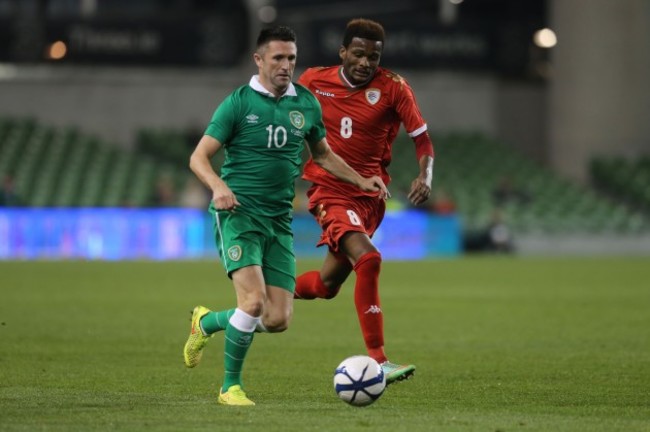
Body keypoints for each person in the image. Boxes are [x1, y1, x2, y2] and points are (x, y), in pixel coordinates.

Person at [183, 25, 388, 406]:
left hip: (279, 221)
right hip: (239, 214)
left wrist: (362, 180)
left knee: (278, 319)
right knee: (253, 303)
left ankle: (207, 322)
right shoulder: (239, 103)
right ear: (258, 60)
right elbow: (199, 157)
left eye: (291, 58)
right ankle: (230, 387)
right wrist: (218, 187)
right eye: (277, 58)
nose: (285, 65)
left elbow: (323, 155)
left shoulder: (306, 103)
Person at [294, 18, 435, 385]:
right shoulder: (312, 81)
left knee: (326, 286)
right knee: (369, 259)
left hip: (371, 198)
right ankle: (379, 360)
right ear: (343, 52)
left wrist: (425, 175)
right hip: (330, 190)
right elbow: (284, 119)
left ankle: (268, 290)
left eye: (373, 56)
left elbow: (422, 139)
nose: (365, 62)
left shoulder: (393, 88)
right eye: (358, 54)